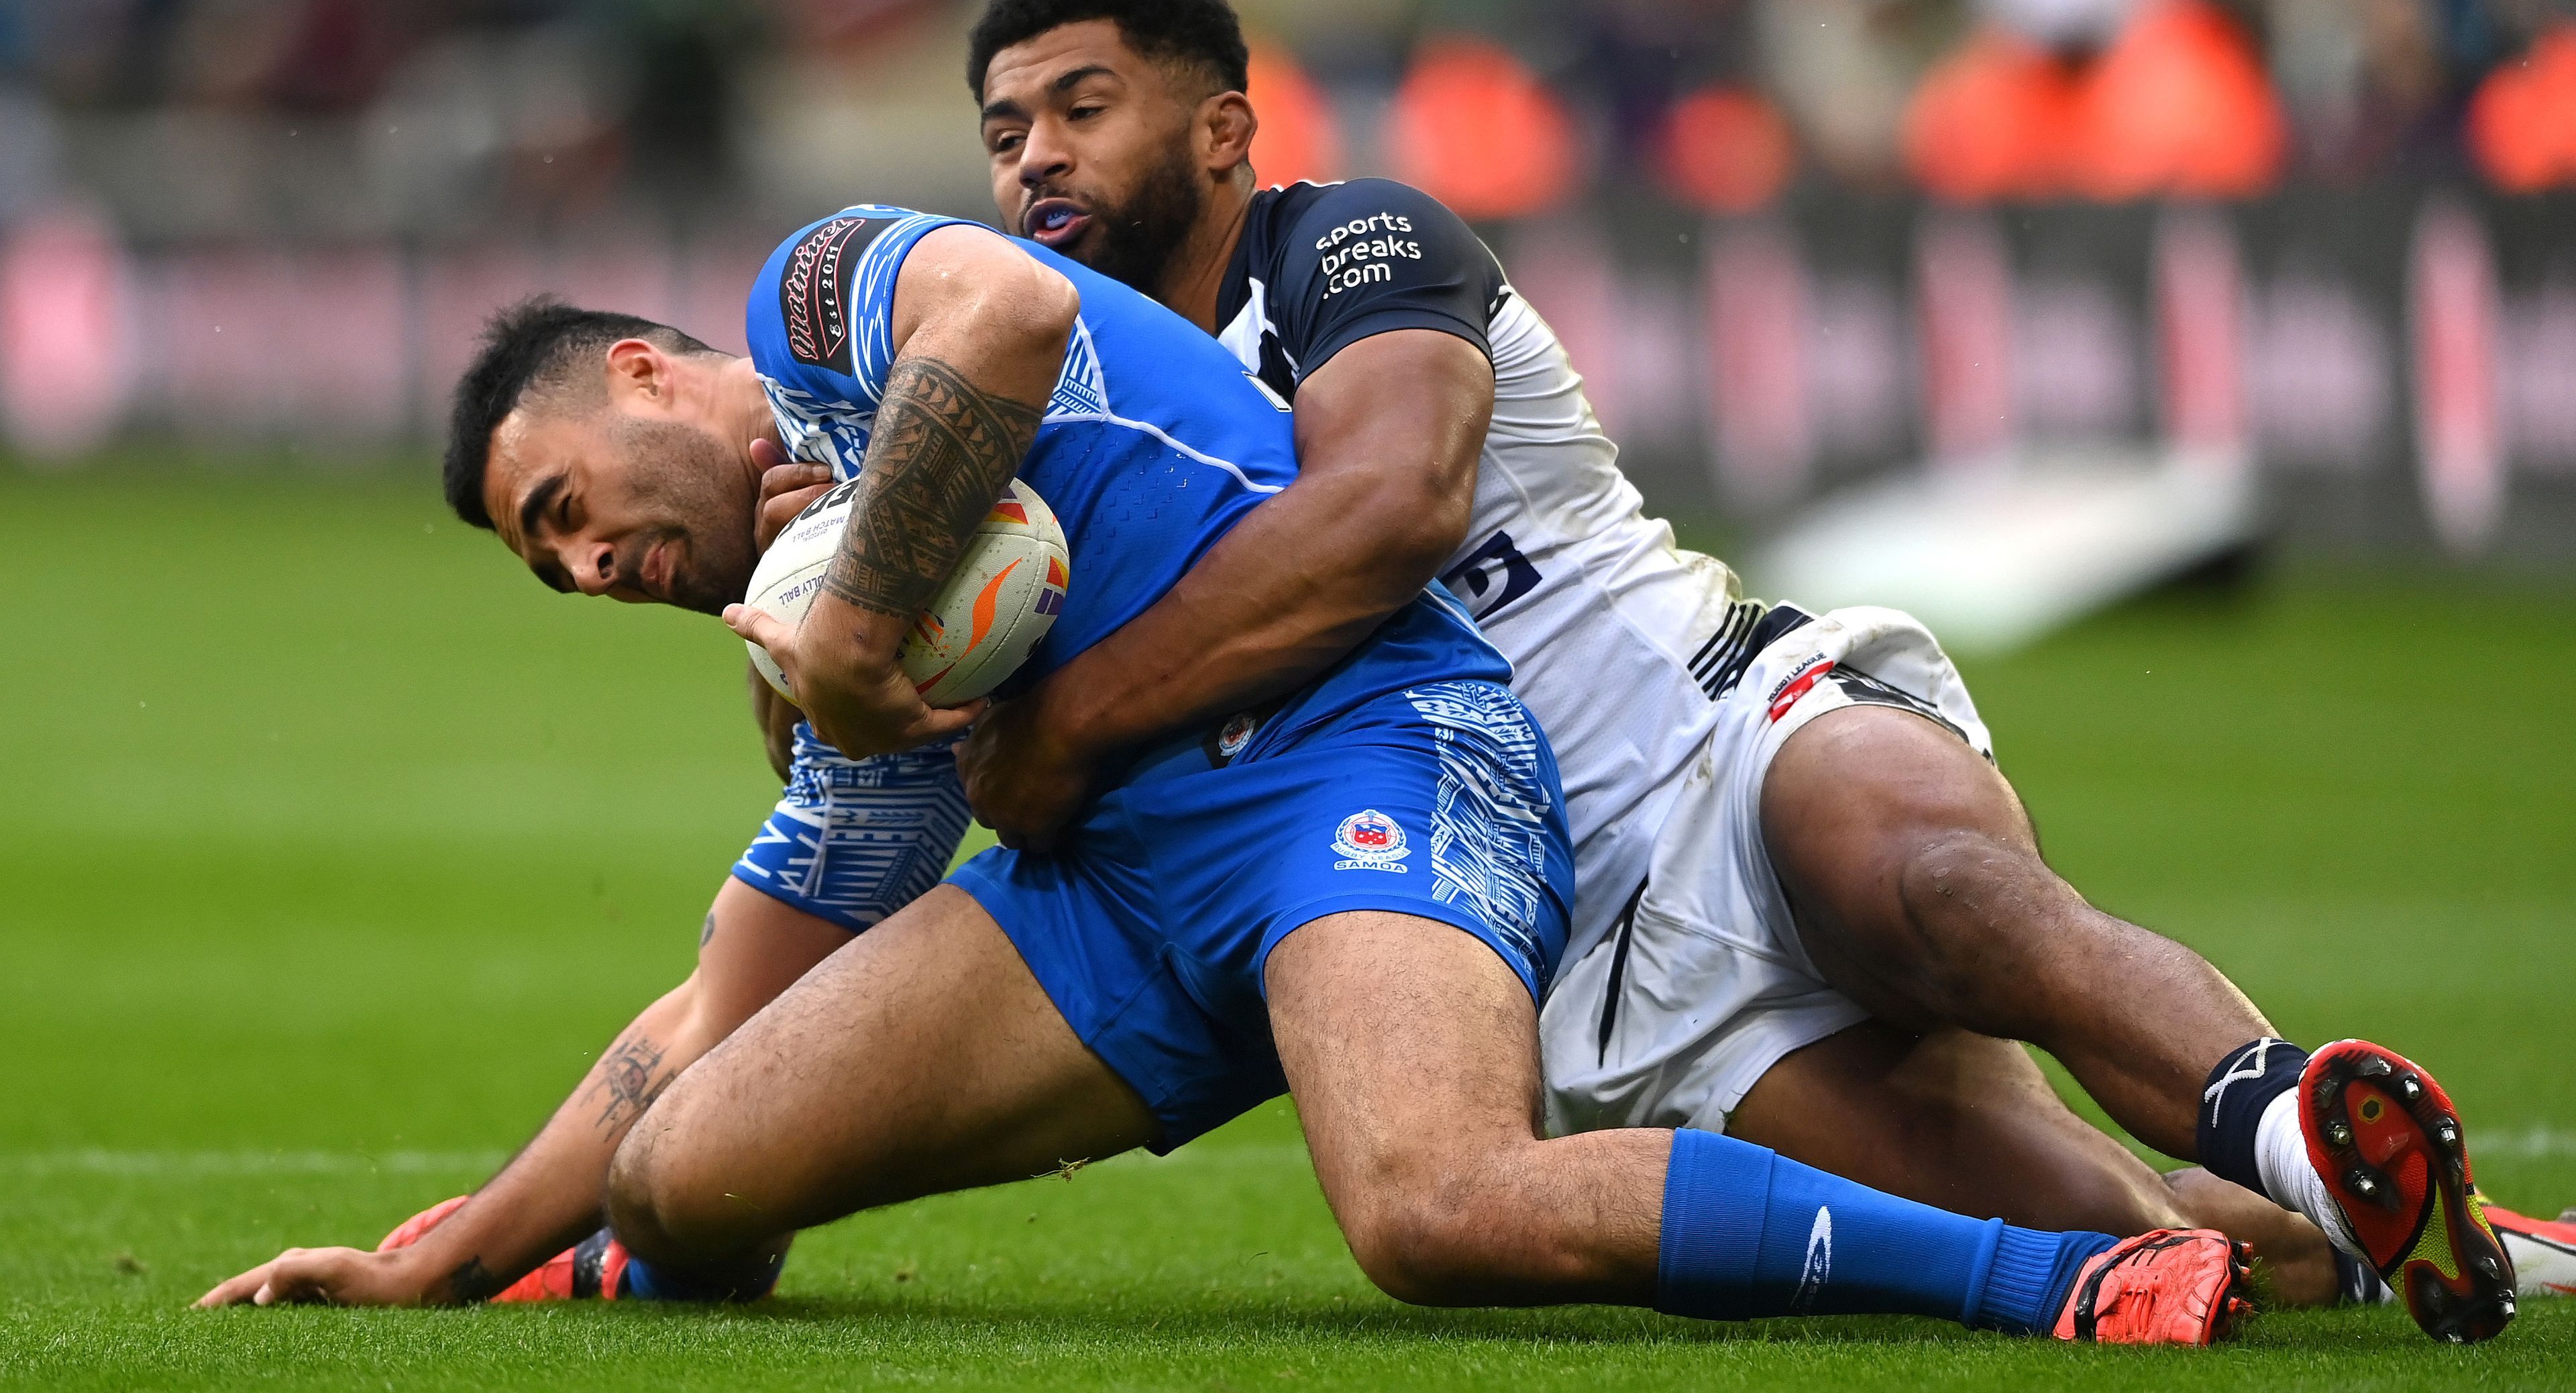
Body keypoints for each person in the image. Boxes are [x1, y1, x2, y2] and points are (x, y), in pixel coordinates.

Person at [198, 200, 2255, 1347]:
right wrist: (445, 1252)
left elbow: (1000, 312)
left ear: (647, 374)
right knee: (689, 1167)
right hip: (1119, 896)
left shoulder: (816, 305)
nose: (583, 564)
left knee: (1432, 1209)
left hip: (1371, 757)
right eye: (546, 563)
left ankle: (2074, 1279)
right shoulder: (830, 669)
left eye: (565, 502)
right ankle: (628, 1256)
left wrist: (846, 626)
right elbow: (713, 1009)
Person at [900, 0, 2512, 1341]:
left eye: (1080, 109)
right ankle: (2422, 1239)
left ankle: (2297, 1124)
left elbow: (1388, 511)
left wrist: (1074, 720)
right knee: (2140, 1239)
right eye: (1004, 131)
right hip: (1608, 947)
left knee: (1938, 888)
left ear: (1221, 128)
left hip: (1723, 725)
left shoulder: (1356, 243)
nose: (1037, 157)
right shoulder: (1057, 423)